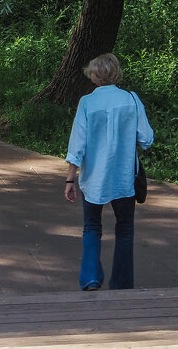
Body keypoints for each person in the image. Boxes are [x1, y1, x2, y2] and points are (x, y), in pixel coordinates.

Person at [63, 53, 153, 290]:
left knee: (92, 226)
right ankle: (122, 284)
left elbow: (77, 144)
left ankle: (91, 278)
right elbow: (146, 139)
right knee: (124, 229)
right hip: (124, 178)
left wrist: (70, 179)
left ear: (94, 75)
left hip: (94, 177)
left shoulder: (87, 103)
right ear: (116, 73)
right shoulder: (132, 100)